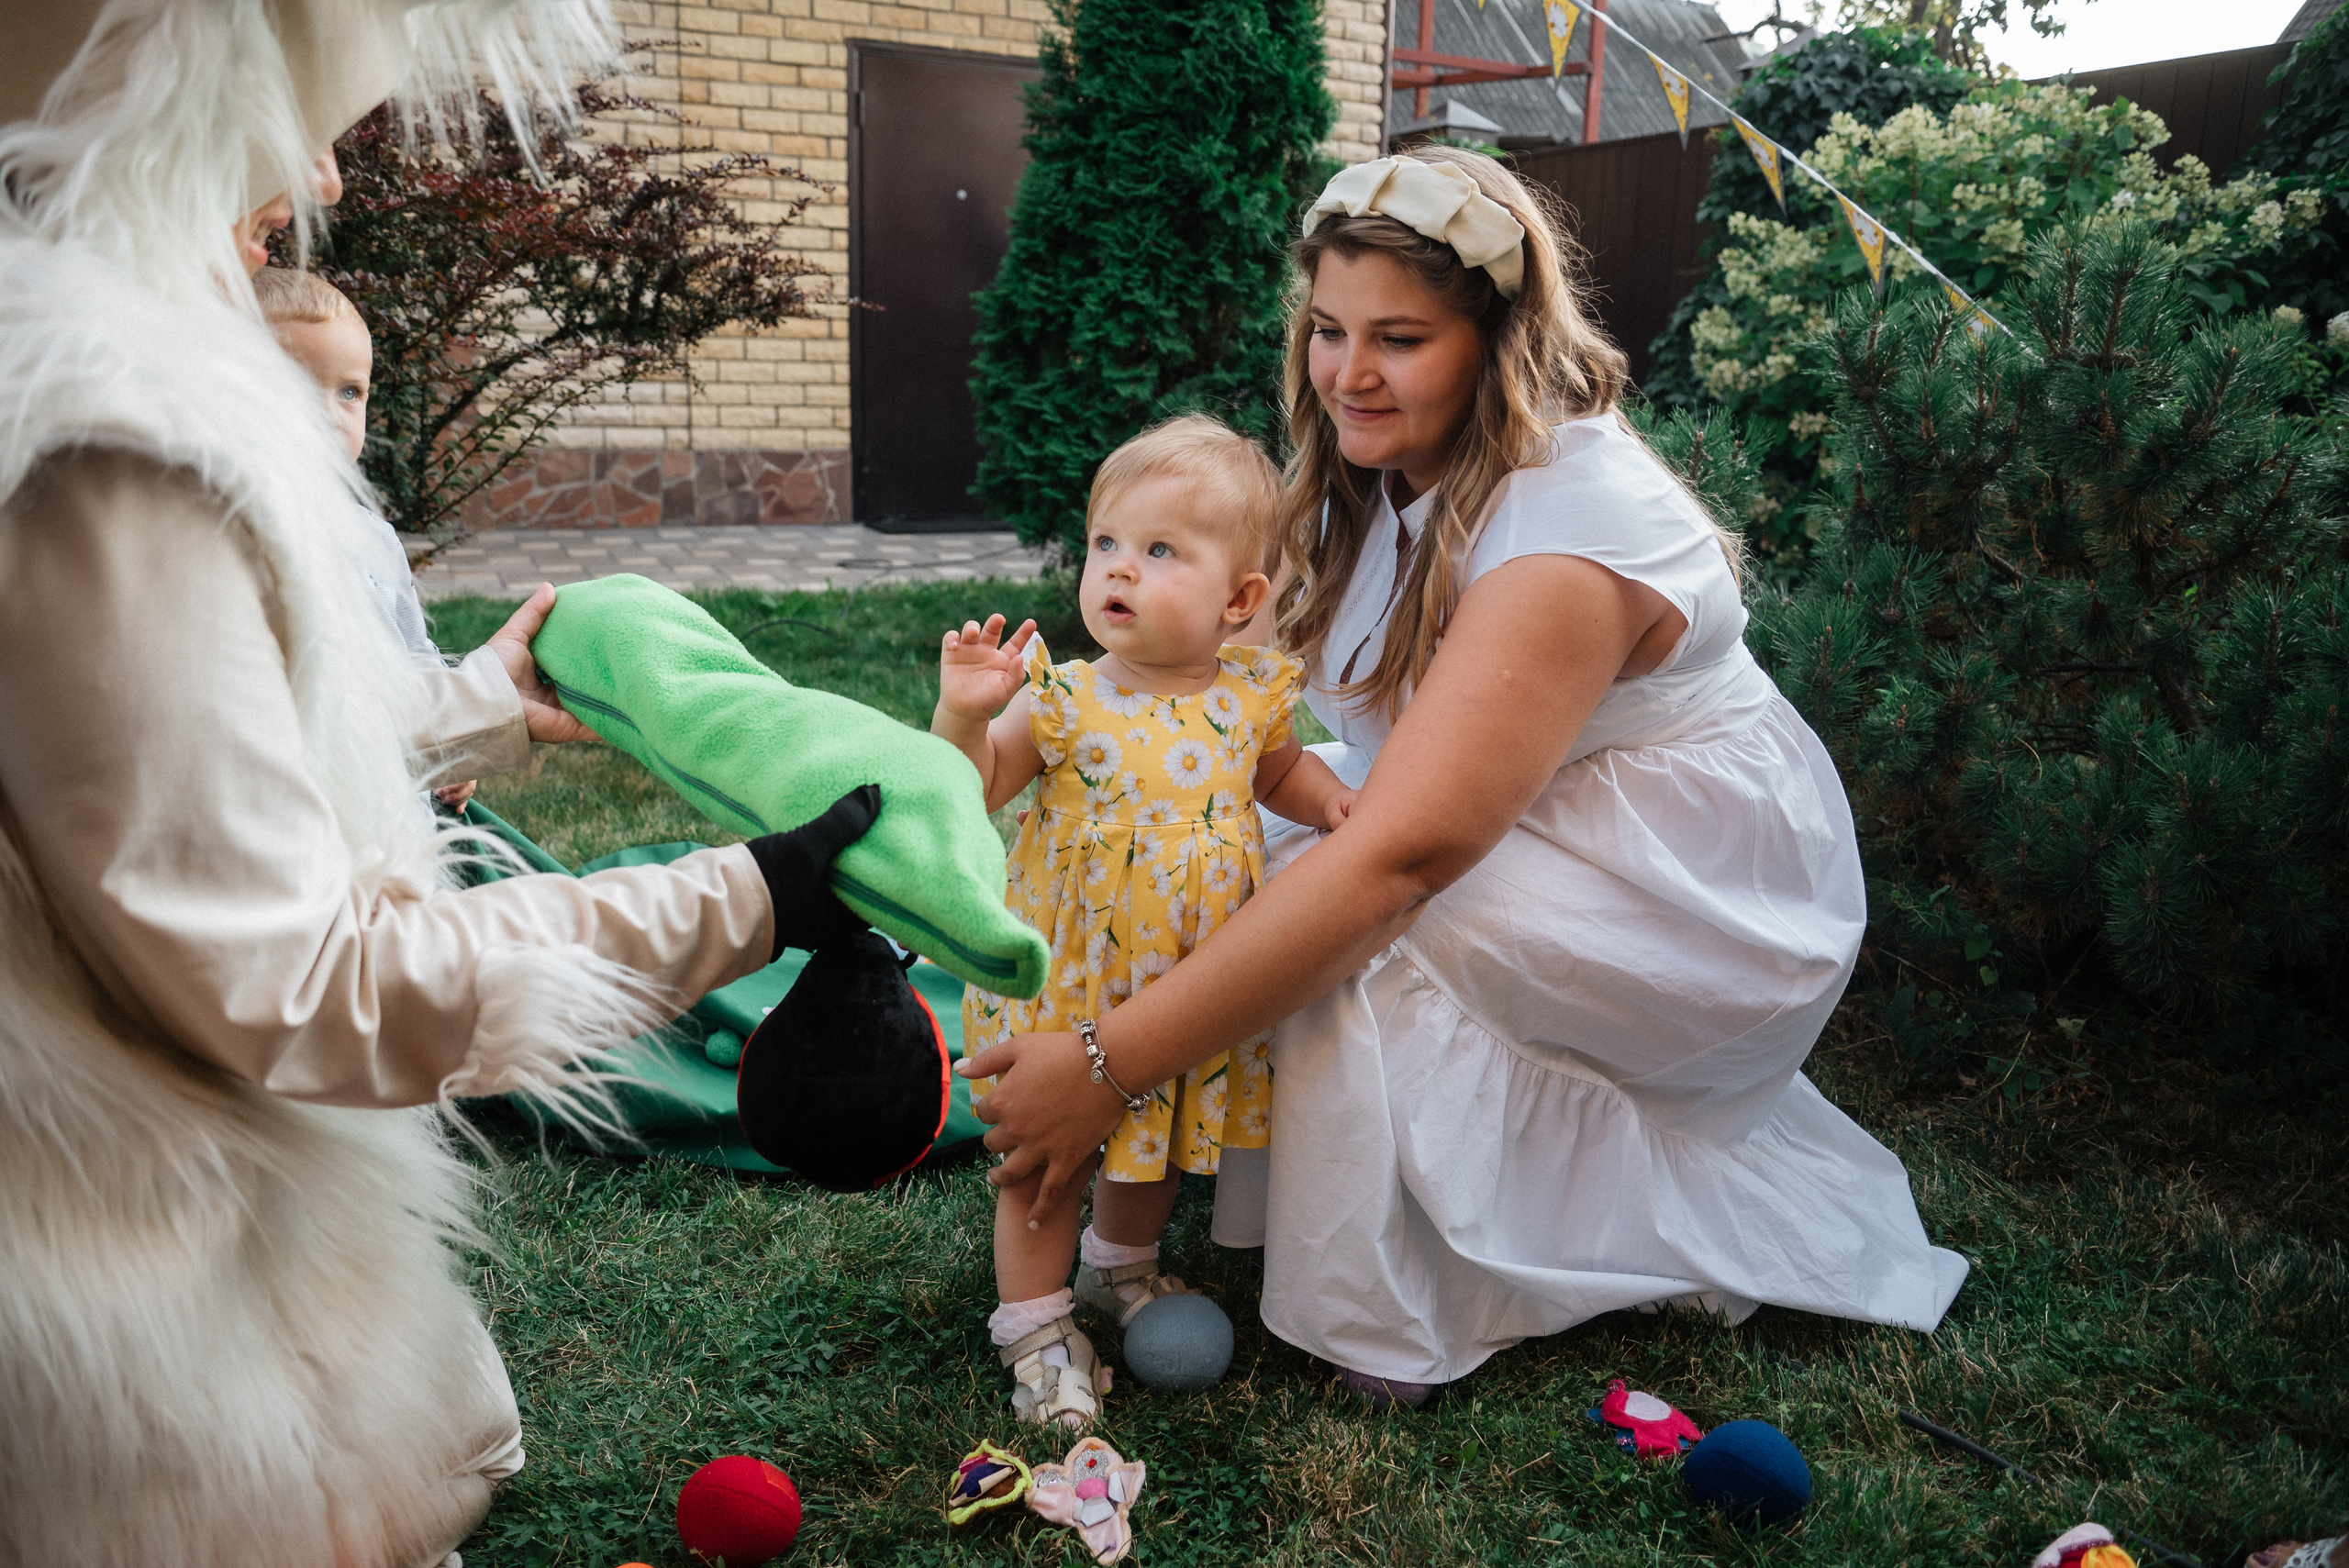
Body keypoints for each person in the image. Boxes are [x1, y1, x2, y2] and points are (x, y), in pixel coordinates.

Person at [0, 4, 877, 1563]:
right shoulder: (103, 448)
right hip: (160, 1358)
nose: (323, 169)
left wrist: (483, 698)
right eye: (298, 109)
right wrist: (741, 892)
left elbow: (173, 764)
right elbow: (304, 978)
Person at [958, 148, 1969, 1404]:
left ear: (1497, 341)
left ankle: (1401, 1307)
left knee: (1340, 916)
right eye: (1328, 330)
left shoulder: (1571, 528)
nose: (1348, 372)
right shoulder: (1380, 469)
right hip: (1526, 811)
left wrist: (1105, 1064)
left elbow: (1401, 861)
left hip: (1691, 884)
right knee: (1228, 852)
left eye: (1400, 337)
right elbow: (1224, 716)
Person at [935, 416, 1356, 1428]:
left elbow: (1281, 771)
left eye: (1160, 550)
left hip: (1182, 984)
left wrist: (1338, 809)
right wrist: (962, 710)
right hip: (1067, 980)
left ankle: (1117, 1265)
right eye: (1107, 545)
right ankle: (1033, 1326)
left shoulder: (1250, 696)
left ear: (1239, 599)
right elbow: (978, 782)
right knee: (1051, 1159)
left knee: (1153, 1141)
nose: (1119, 569)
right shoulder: (1066, 701)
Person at [255, 262, 475, 810]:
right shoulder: (237, 537)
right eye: (297, 387)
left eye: (349, 392)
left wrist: (451, 741)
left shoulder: (373, 537)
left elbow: (416, 655)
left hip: (401, 808)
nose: (330, 415)